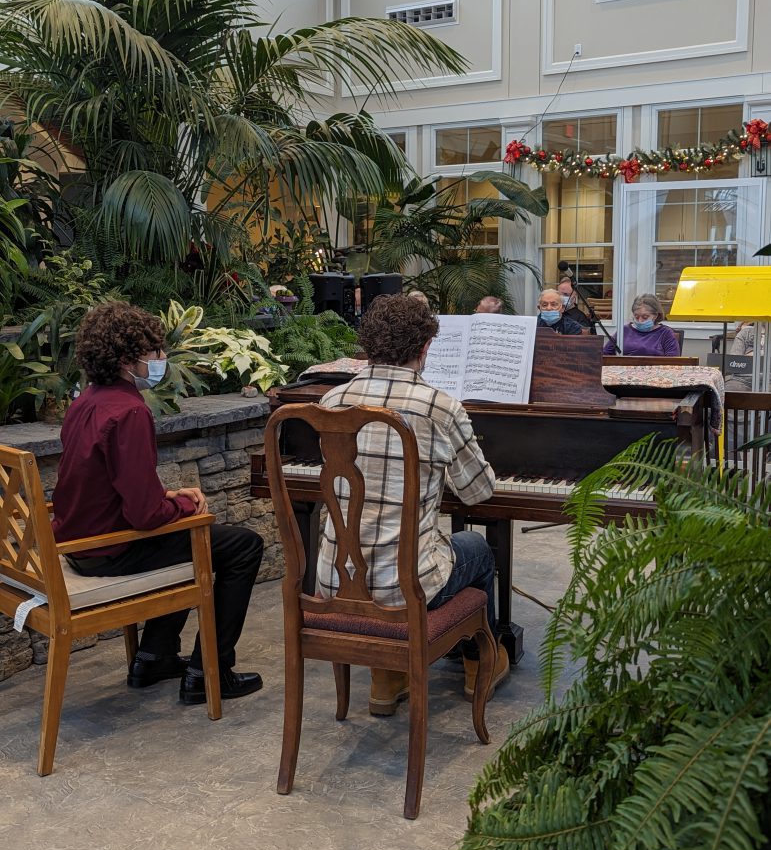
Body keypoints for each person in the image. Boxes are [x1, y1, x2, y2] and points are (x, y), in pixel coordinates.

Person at [52, 302, 264, 705]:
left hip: (77, 542)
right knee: (241, 545)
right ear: (128, 358)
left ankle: (154, 658)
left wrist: (166, 495)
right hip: (109, 549)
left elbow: (103, 481)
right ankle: (209, 673)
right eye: (155, 352)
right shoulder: (129, 411)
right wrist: (185, 509)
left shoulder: (85, 402)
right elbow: (145, 517)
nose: (162, 359)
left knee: (188, 540)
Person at [316, 294, 509, 714]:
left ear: (368, 346)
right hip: (404, 588)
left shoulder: (330, 403)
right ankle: (482, 662)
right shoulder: (439, 407)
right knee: (476, 549)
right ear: (425, 349)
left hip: (334, 582)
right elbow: (480, 493)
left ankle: (386, 678)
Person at [603, 293, 680, 356]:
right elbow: (605, 354)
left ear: (655, 316)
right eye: (636, 316)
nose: (640, 320)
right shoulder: (624, 331)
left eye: (645, 317)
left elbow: (673, 361)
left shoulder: (666, 333)